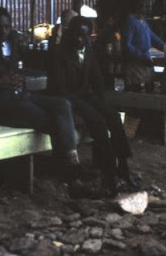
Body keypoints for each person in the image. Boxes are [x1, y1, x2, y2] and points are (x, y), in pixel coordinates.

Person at [0, 7, 95, 183]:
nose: (3, 31)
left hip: (21, 96)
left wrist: (20, 78)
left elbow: (21, 66)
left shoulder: (13, 42)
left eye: (7, 27)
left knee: (62, 104)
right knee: (52, 120)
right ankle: (67, 169)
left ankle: (73, 162)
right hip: (0, 102)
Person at [48, 16, 139, 197]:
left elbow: (97, 78)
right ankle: (109, 175)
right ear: (70, 34)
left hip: (86, 96)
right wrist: (86, 105)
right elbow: (59, 89)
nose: (81, 39)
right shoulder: (58, 53)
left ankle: (123, 166)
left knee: (113, 116)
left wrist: (102, 102)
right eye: (78, 35)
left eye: (85, 36)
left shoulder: (88, 49)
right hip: (68, 99)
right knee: (98, 123)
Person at [121, 0, 166, 92]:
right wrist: (141, 56)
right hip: (135, 63)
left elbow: (150, 35)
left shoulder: (141, 19)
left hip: (145, 59)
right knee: (135, 89)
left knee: (149, 86)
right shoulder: (129, 20)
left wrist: (164, 46)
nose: (144, 7)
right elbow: (127, 45)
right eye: (142, 4)